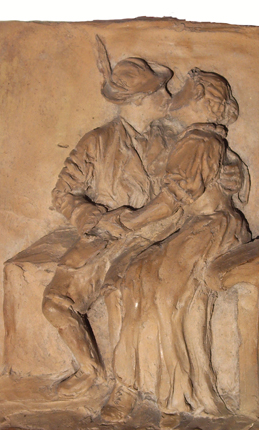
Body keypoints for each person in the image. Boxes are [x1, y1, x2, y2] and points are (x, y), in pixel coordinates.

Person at [100, 68, 251, 421]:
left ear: (196, 97)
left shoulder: (199, 140)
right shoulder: (194, 137)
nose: (173, 93)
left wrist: (130, 221)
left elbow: (173, 198)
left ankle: (171, 393)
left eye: (182, 87)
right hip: (194, 228)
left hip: (207, 231)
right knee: (133, 278)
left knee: (161, 295)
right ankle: (152, 388)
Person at [42, 37, 176, 397]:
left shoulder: (174, 140)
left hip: (159, 236)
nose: (167, 97)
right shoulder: (97, 142)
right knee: (56, 303)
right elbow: (62, 194)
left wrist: (232, 175)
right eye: (159, 91)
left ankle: (129, 387)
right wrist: (95, 218)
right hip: (106, 236)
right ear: (138, 100)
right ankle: (91, 371)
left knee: (127, 294)